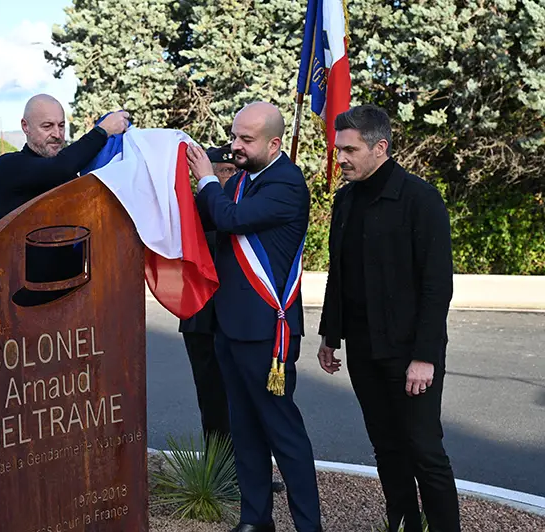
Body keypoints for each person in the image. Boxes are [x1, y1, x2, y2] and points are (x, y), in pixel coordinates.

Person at [317, 104, 460, 532]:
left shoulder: (420, 198)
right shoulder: (344, 200)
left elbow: (438, 287)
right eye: (337, 148)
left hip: (409, 352)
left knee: (424, 450)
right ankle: (404, 526)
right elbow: (338, 273)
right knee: (386, 449)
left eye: (349, 149)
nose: (339, 157)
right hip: (364, 349)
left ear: (380, 148)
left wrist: (424, 357)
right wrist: (330, 335)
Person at [187, 102, 321, 532]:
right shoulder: (245, 179)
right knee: (244, 431)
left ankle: (308, 526)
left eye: (246, 140)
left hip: (267, 332)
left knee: (284, 436)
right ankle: (255, 521)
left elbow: (227, 218)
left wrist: (207, 177)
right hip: (231, 327)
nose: (236, 146)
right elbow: (206, 214)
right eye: (235, 136)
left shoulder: (285, 184)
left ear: (274, 143)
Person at [0, 93, 130, 219]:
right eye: (47, 126)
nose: (57, 135)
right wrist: (102, 131)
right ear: (25, 126)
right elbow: (59, 167)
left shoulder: (68, 176)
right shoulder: (8, 166)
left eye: (61, 126)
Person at [179, 144, 236, 443]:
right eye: (224, 171)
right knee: (213, 400)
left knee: (243, 401)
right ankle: (218, 476)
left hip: (237, 318)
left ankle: (248, 474)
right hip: (202, 318)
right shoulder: (192, 207)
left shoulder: (241, 208)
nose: (231, 177)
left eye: (235, 171)